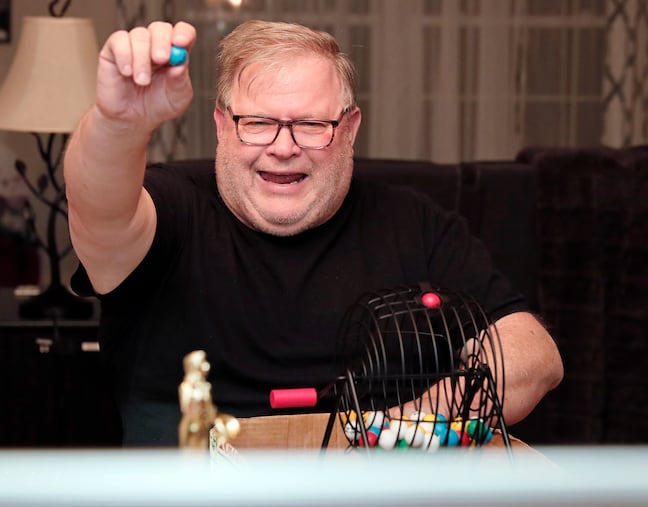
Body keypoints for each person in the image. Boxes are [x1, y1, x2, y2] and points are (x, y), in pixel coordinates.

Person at [64, 20, 564, 447]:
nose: (284, 148)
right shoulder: (170, 210)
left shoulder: (413, 220)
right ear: (221, 126)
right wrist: (118, 125)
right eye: (257, 122)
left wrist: (403, 428)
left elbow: (533, 355)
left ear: (349, 130)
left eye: (310, 124)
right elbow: (99, 213)